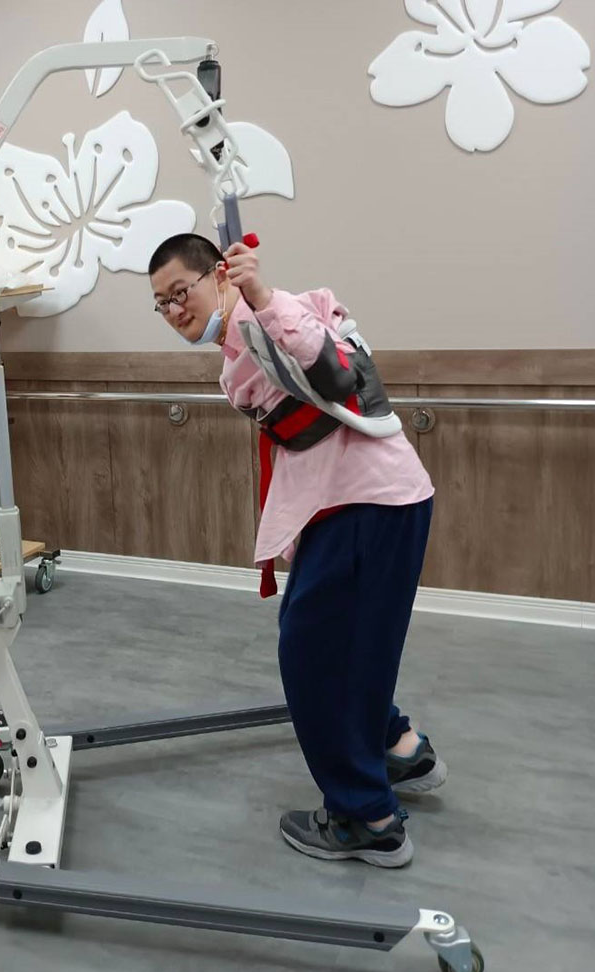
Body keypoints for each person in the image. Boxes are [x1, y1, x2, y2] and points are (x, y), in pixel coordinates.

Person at [148, 233, 446, 867]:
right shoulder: (244, 339)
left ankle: (366, 818)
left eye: (180, 292)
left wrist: (259, 293)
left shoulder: (272, 315)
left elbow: (334, 372)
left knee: (314, 658)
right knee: (346, 647)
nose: (174, 311)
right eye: (161, 303)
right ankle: (399, 749)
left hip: (367, 504)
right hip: (363, 503)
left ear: (219, 276)